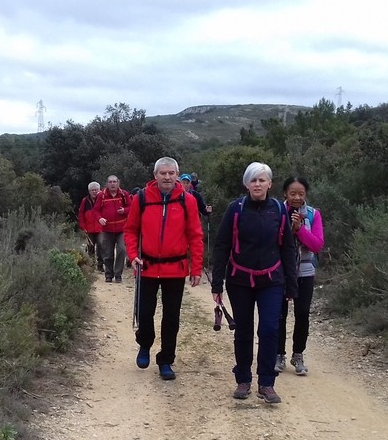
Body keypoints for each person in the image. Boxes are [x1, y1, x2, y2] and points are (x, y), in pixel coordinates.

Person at [210, 162, 298, 403]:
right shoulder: (235, 209)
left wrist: (292, 285)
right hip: (240, 280)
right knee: (244, 331)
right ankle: (243, 379)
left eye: (262, 180)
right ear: (246, 184)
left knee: (269, 329)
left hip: (272, 280)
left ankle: (267, 383)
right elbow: (222, 246)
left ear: (270, 184)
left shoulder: (279, 210)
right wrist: (217, 284)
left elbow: (288, 249)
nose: (257, 184)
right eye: (253, 180)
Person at [124, 157, 204, 380]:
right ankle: (144, 343)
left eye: (171, 173)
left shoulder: (187, 201)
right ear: (155, 175)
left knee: (171, 317)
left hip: (175, 269)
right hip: (147, 267)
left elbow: (195, 236)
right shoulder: (141, 198)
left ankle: (166, 360)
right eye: (163, 173)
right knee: (145, 312)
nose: (167, 177)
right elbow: (130, 230)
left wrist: (196, 268)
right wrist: (133, 256)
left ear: (177, 175)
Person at [275, 177, 324, 376]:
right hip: (280, 270)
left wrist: (300, 230)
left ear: (306, 194)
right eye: (292, 193)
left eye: (301, 194)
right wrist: (288, 229)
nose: (296, 197)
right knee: (279, 314)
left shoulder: (313, 214)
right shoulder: (276, 211)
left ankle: (298, 354)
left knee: (302, 314)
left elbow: (317, 245)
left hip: (304, 271)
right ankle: (279, 355)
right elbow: (273, 240)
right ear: (285, 193)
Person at [94, 175, 132, 282]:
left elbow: (132, 207)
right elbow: (95, 211)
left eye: (114, 181)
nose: (112, 184)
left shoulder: (124, 194)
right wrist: (100, 218)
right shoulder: (101, 196)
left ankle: (118, 274)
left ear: (118, 183)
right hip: (107, 229)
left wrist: (124, 211)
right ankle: (109, 275)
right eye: (110, 182)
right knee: (107, 253)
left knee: (121, 250)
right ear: (107, 184)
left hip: (122, 229)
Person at [77, 181, 102, 268]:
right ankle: (91, 265)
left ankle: (100, 265)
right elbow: (80, 215)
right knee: (90, 247)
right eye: (92, 190)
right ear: (89, 191)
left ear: (99, 190)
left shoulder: (103, 199)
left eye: (96, 190)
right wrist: (83, 227)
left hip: (101, 228)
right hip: (89, 228)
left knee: (101, 246)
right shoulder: (85, 201)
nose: (94, 192)